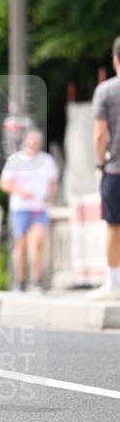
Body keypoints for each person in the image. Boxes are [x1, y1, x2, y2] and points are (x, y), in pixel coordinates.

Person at [0, 128, 59, 292]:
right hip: (21, 208)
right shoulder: (15, 160)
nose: (33, 145)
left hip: (39, 207)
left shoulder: (47, 161)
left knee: (38, 243)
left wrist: (50, 196)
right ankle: (20, 280)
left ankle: (36, 279)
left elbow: (53, 182)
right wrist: (19, 191)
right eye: (31, 141)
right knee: (21, 245)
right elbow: (3, 183)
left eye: (36, 142)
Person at [91, 36, 120, 299]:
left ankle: (114, 284)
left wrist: (100, 163)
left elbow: (100, 135)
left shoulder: (106, 91)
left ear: (115, 60)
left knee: (114, 226)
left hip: (115, 169)